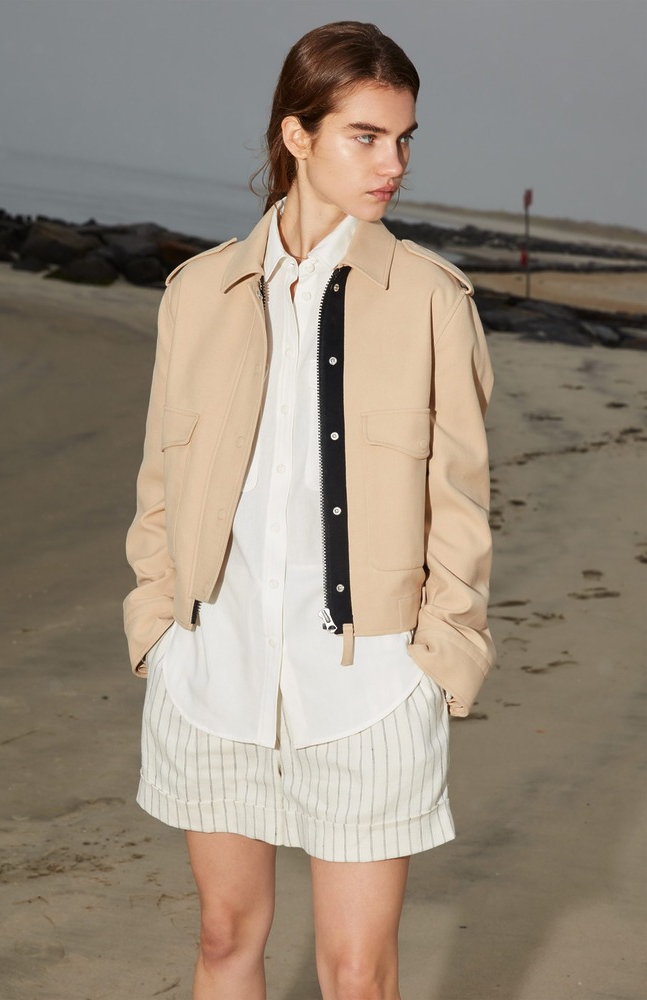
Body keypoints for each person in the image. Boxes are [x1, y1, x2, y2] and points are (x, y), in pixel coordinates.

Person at [124, 20, 494, 1000]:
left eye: (403, 139)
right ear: (296, 135)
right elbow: (160, 480)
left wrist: (437, 660)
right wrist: (157, 625)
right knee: (222, 937)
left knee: (356, 971)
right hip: (213, 674)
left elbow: (460, 502)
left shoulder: (430, 300)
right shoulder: (198, 293)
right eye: (366, 136)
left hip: (371, 686)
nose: (393, 164)